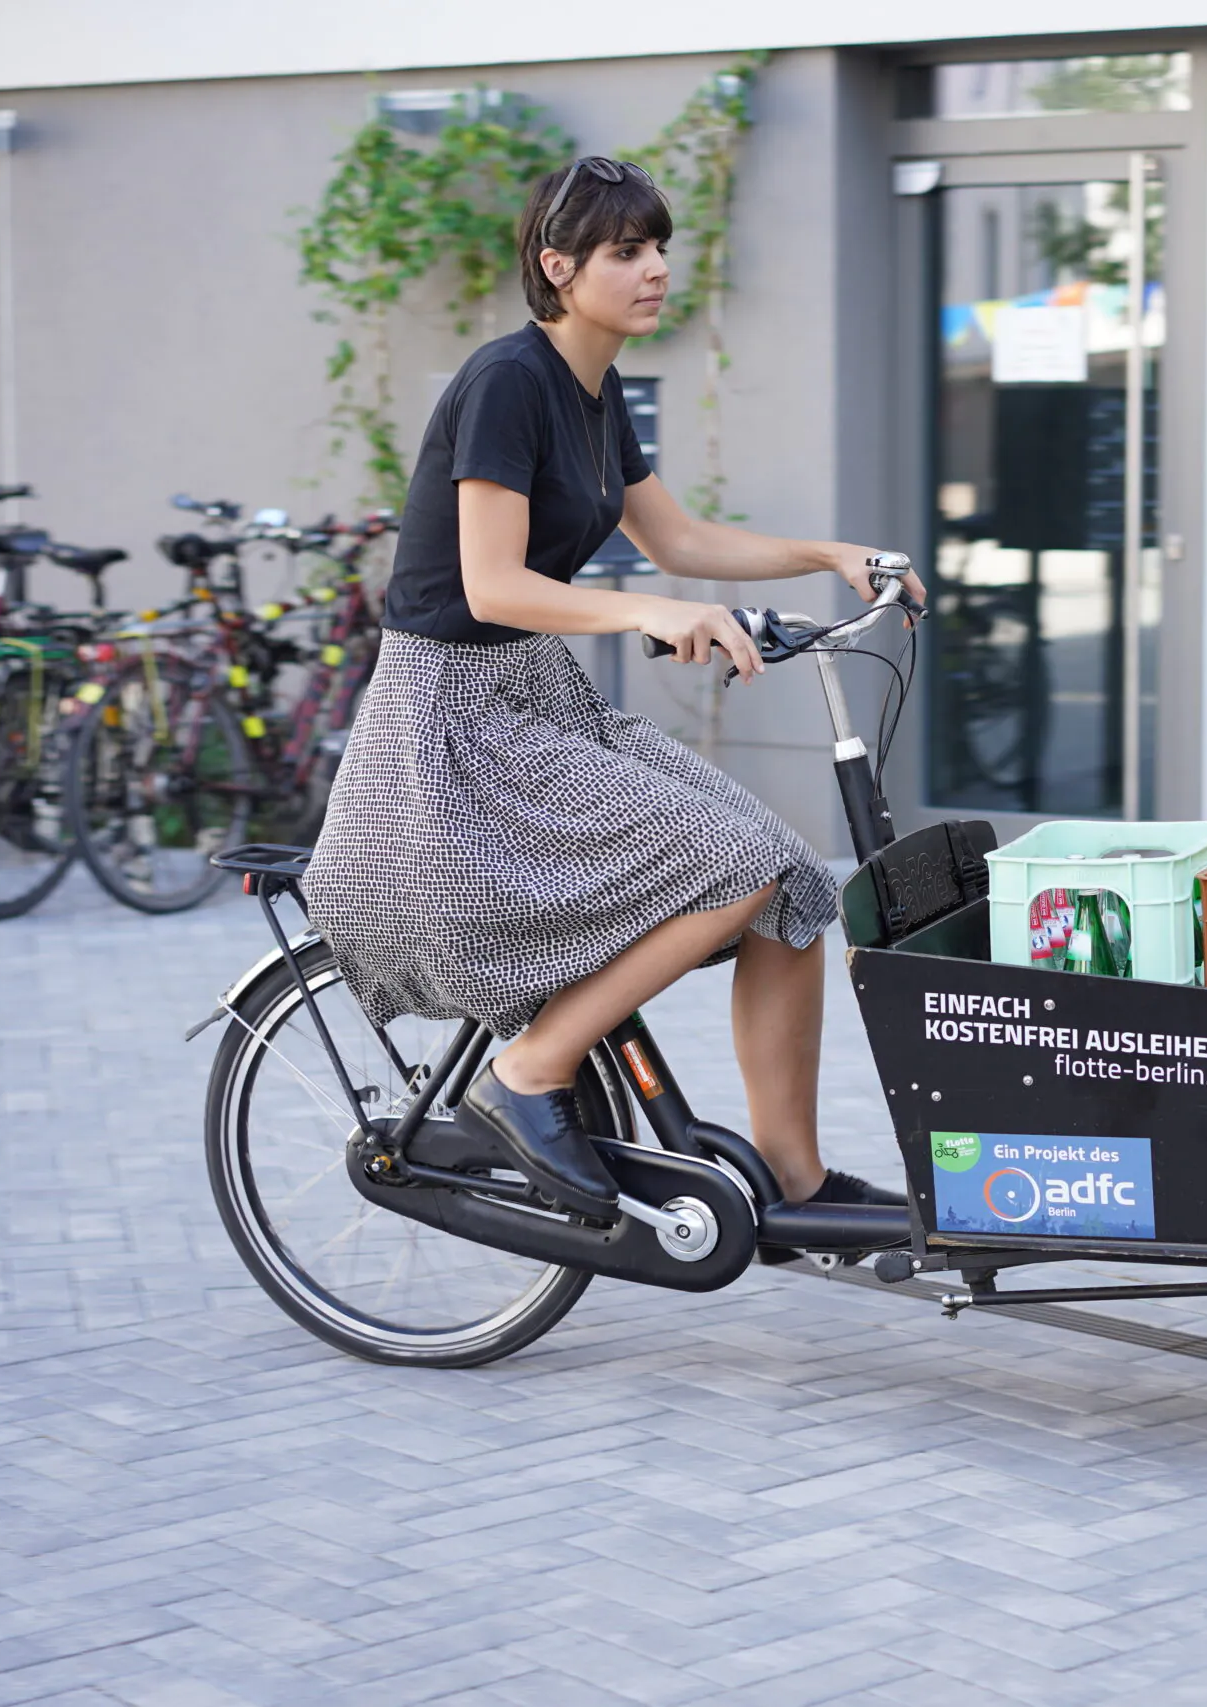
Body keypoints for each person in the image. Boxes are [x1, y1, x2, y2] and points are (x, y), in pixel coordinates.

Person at [302, 156, 920, 1225]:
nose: (656, 269)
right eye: (628, 251)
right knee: (734, 864)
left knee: (789, 889)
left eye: (659, 247)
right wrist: (649, 613)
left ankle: (794, 1186)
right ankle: (528, 1073)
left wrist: (831, 554)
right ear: (559, 267)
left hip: (534, 695)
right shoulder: (507, 382)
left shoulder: (596, 392)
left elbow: (676, 539)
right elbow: (492, 586)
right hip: (451, 717)